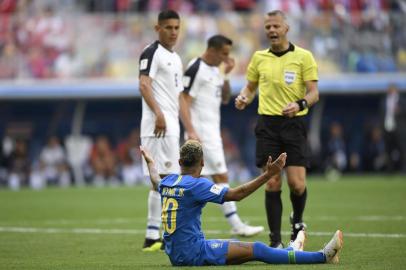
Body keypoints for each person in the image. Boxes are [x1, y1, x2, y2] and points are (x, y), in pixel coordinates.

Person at [140, 140, 343, 266]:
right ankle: (322, 257)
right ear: (202, 163)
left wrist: (150, 161)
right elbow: (237, 194)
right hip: (193, 253)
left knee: (249, 253)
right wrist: (268, 174)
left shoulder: (168, 182)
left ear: (179, 162)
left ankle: (290, 252)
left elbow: (155, 179)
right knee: (258, 249)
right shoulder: (197, 185)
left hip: (176, 255)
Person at [235, 10, 319, 248]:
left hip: (294, 124)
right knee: (272, 182)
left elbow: (314, 93)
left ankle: (297, 222)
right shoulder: (259, 57)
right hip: (267, 125)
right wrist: (243, 97)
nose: (271, 30)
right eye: (268, 26)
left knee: (297, 184)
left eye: (276, 26)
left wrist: (300, 104)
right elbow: (250, 88)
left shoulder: (304, 57)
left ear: (286, 28)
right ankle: (275, 241)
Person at [179, 34, 263, 236]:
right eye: (224, 54)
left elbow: (225, 98)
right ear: (213, 50)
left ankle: (177, 226)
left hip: (211, 133)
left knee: (193, 182)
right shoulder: (195, 67)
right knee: (218, 177)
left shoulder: (216, 70)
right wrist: (190, 130)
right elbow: (183, 100)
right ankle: (237, 225)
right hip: (200, 134)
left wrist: (226, 74)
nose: (226, 58)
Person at [138, 10, 185, 251]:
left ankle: (153, 236)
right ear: (158, 29)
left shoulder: (175, 58)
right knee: (165, 181)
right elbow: (144, 85)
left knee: (164, 181)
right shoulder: (151, 52)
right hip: (157, 126)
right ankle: (161, 235)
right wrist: (158, 113)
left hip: (170, 126)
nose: (173, 32)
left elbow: (178, 97)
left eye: (177, 27)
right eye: (168, 27)